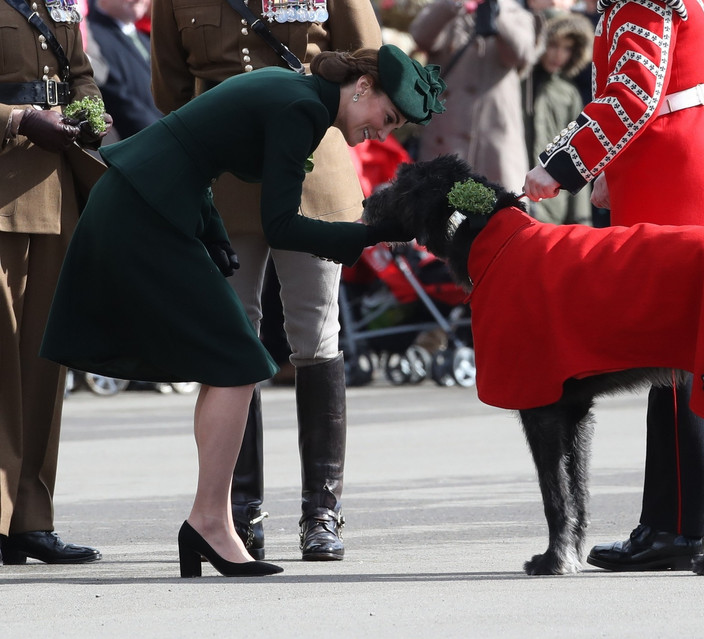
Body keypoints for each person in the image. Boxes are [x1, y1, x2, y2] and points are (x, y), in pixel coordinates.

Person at [39, 45, 445, 577]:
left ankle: (212, 521)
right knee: (238, 362)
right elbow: (281, 226)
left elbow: (196, 144)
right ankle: (210, 521)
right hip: (146, 210)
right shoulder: (302, 107)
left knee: (229, 361)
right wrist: (376, 234)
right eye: (386, 118)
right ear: (364, 87)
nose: (383, 134)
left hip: (149, 200)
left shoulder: (294, 91)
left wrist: (211, 228)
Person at [524, 0, 704, 571]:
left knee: (674, 356)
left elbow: (635, 91)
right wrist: (612, 166)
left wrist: (563, 165)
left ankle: (676, 527)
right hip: (693, 164)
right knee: (691, 356)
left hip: (676, 177)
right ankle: (677, 520)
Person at [150, 0, 382, 562]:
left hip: (311, 164)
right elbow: (171, 87)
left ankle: (322, 512)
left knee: (316, 336)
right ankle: (238, 511)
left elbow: (374, 58)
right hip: (224, 177)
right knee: (235, 341)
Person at [0, 0, 112, 566]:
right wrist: (17, 120)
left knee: (44, 364)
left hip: (53, 192)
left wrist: (87, 114)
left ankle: (29, 519)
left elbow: (80, 73)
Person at [409, 0, 538, 193]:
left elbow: (522, 53)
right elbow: (421, 36)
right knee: (437, 210)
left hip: (494, 140)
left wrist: (495, 11)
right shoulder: (450, 7)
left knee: (501, 211)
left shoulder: (514, 13)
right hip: (445, 134)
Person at [522, 10, 594, 226]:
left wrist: (581, 220)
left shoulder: (568, 93)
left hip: (553, 207)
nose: (558, 55)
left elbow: (578, 150)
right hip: (514, 194)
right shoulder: (519, 83)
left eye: (566, 48)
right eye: (553, 45)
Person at [86, 0, 163, 139]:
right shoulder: (92, 40)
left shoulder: (146, 38)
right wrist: (165, 133)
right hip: (146, 142)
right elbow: (119, 101)